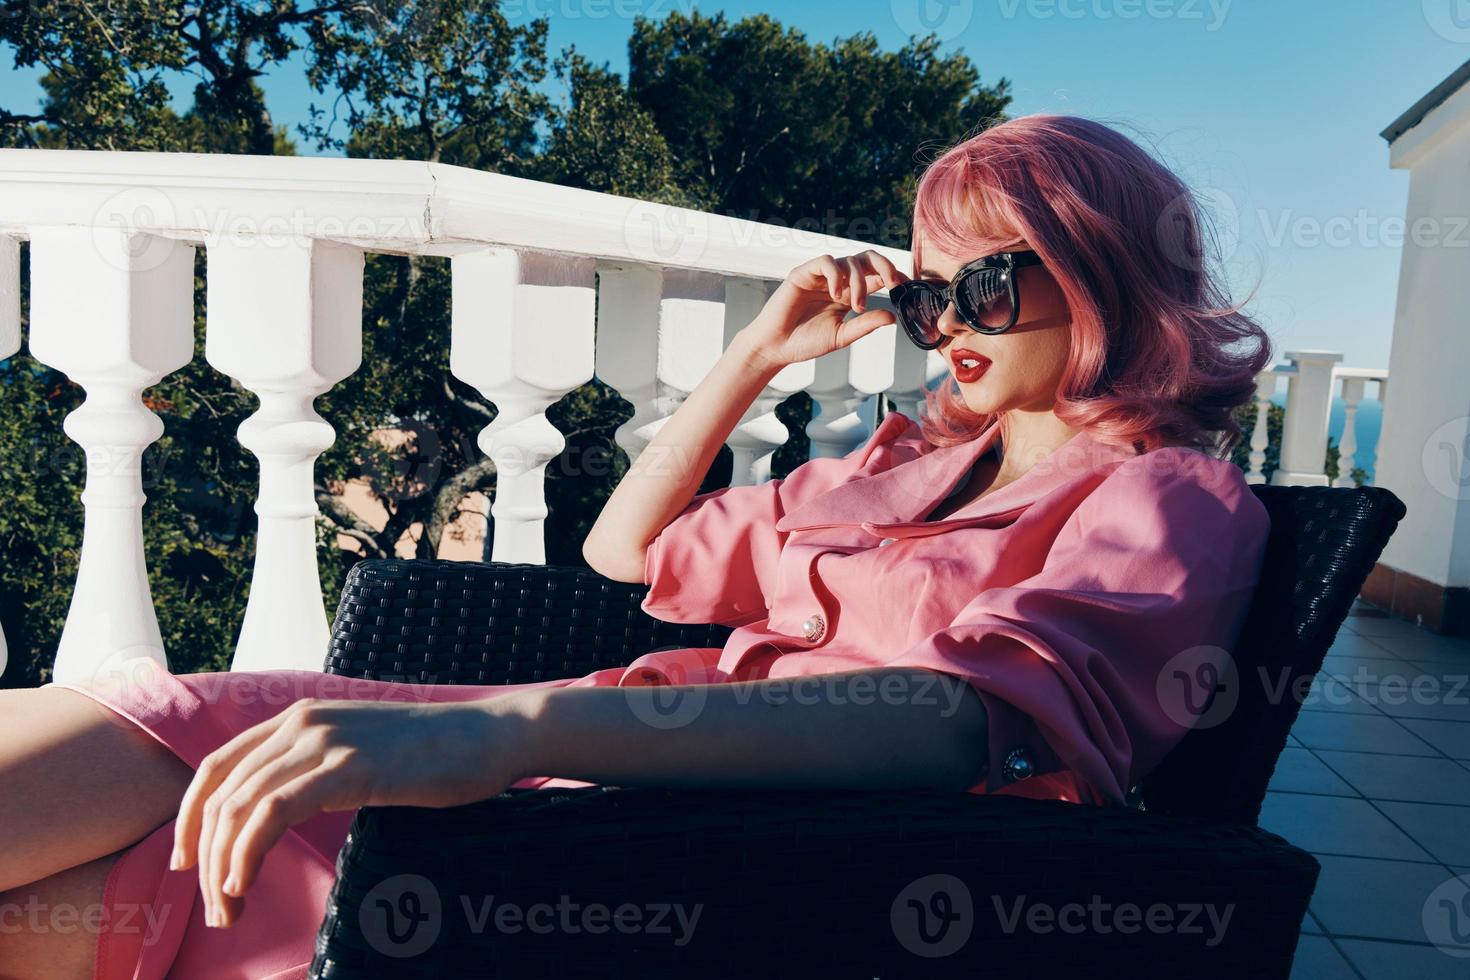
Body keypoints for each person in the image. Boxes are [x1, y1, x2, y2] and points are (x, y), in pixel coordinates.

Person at [0, 113, 1272, 978]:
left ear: (1101, 268)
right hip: (602, 752)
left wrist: (517, 731)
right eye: (930, 296)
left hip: (695, 840)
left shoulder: (1167, 504)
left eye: (985, 285)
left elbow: (968, 724)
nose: (947, 327)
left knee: (186, 850)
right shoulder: (907, 466)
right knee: (189, 718)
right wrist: (756, 355)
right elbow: (623, 549)